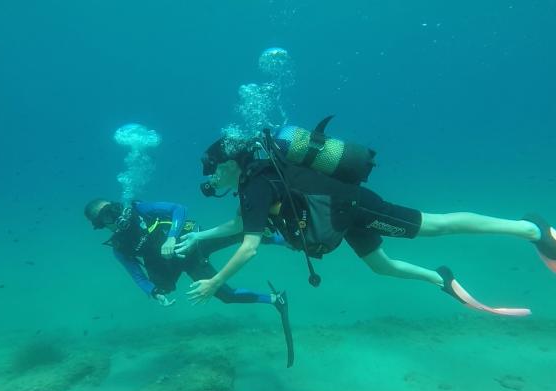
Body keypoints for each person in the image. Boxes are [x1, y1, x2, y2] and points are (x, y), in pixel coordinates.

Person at [177, 119, 555, 317]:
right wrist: (198, 238)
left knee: (435, 226)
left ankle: (531, 229)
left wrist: (214, 282)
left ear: (229, 162)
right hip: (339, 217)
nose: (212, 179)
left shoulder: (256, 184)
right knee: (382, 267)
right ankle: (440, 278)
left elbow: (248, 248)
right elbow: (242, 224)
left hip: (354, 207)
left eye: (212, 170)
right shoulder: (256, 182)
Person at [84, 198, 295, 366]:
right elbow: (136, 274)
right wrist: (154, 292)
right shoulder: (120, 247)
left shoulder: (140, 210)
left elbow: (179, 209)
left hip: (191, 241)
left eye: (112, 208)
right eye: (105, 216)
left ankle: (286, 240)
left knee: (240, 233)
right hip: (171, 265)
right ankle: (276, 299)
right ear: (99, 224)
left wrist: (172, 236)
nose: (114, 215)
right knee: (226, 296)